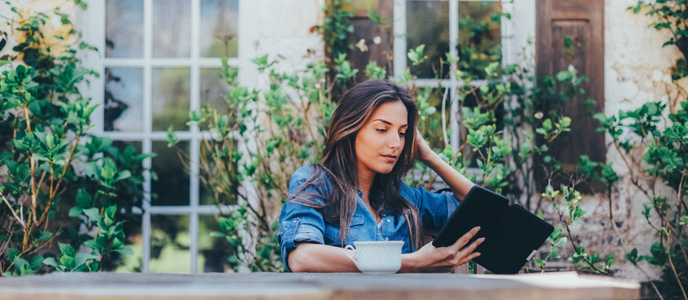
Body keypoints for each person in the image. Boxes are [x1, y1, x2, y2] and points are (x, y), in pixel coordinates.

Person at [277, 79, 483, 273]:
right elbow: (302, 256)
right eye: (382, 129)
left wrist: (430, 157)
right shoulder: (316, 183)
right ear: (350, 128)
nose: (396, 143)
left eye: (402, 133)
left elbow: (479, 207)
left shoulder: (403, 198)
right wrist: (410, 263)